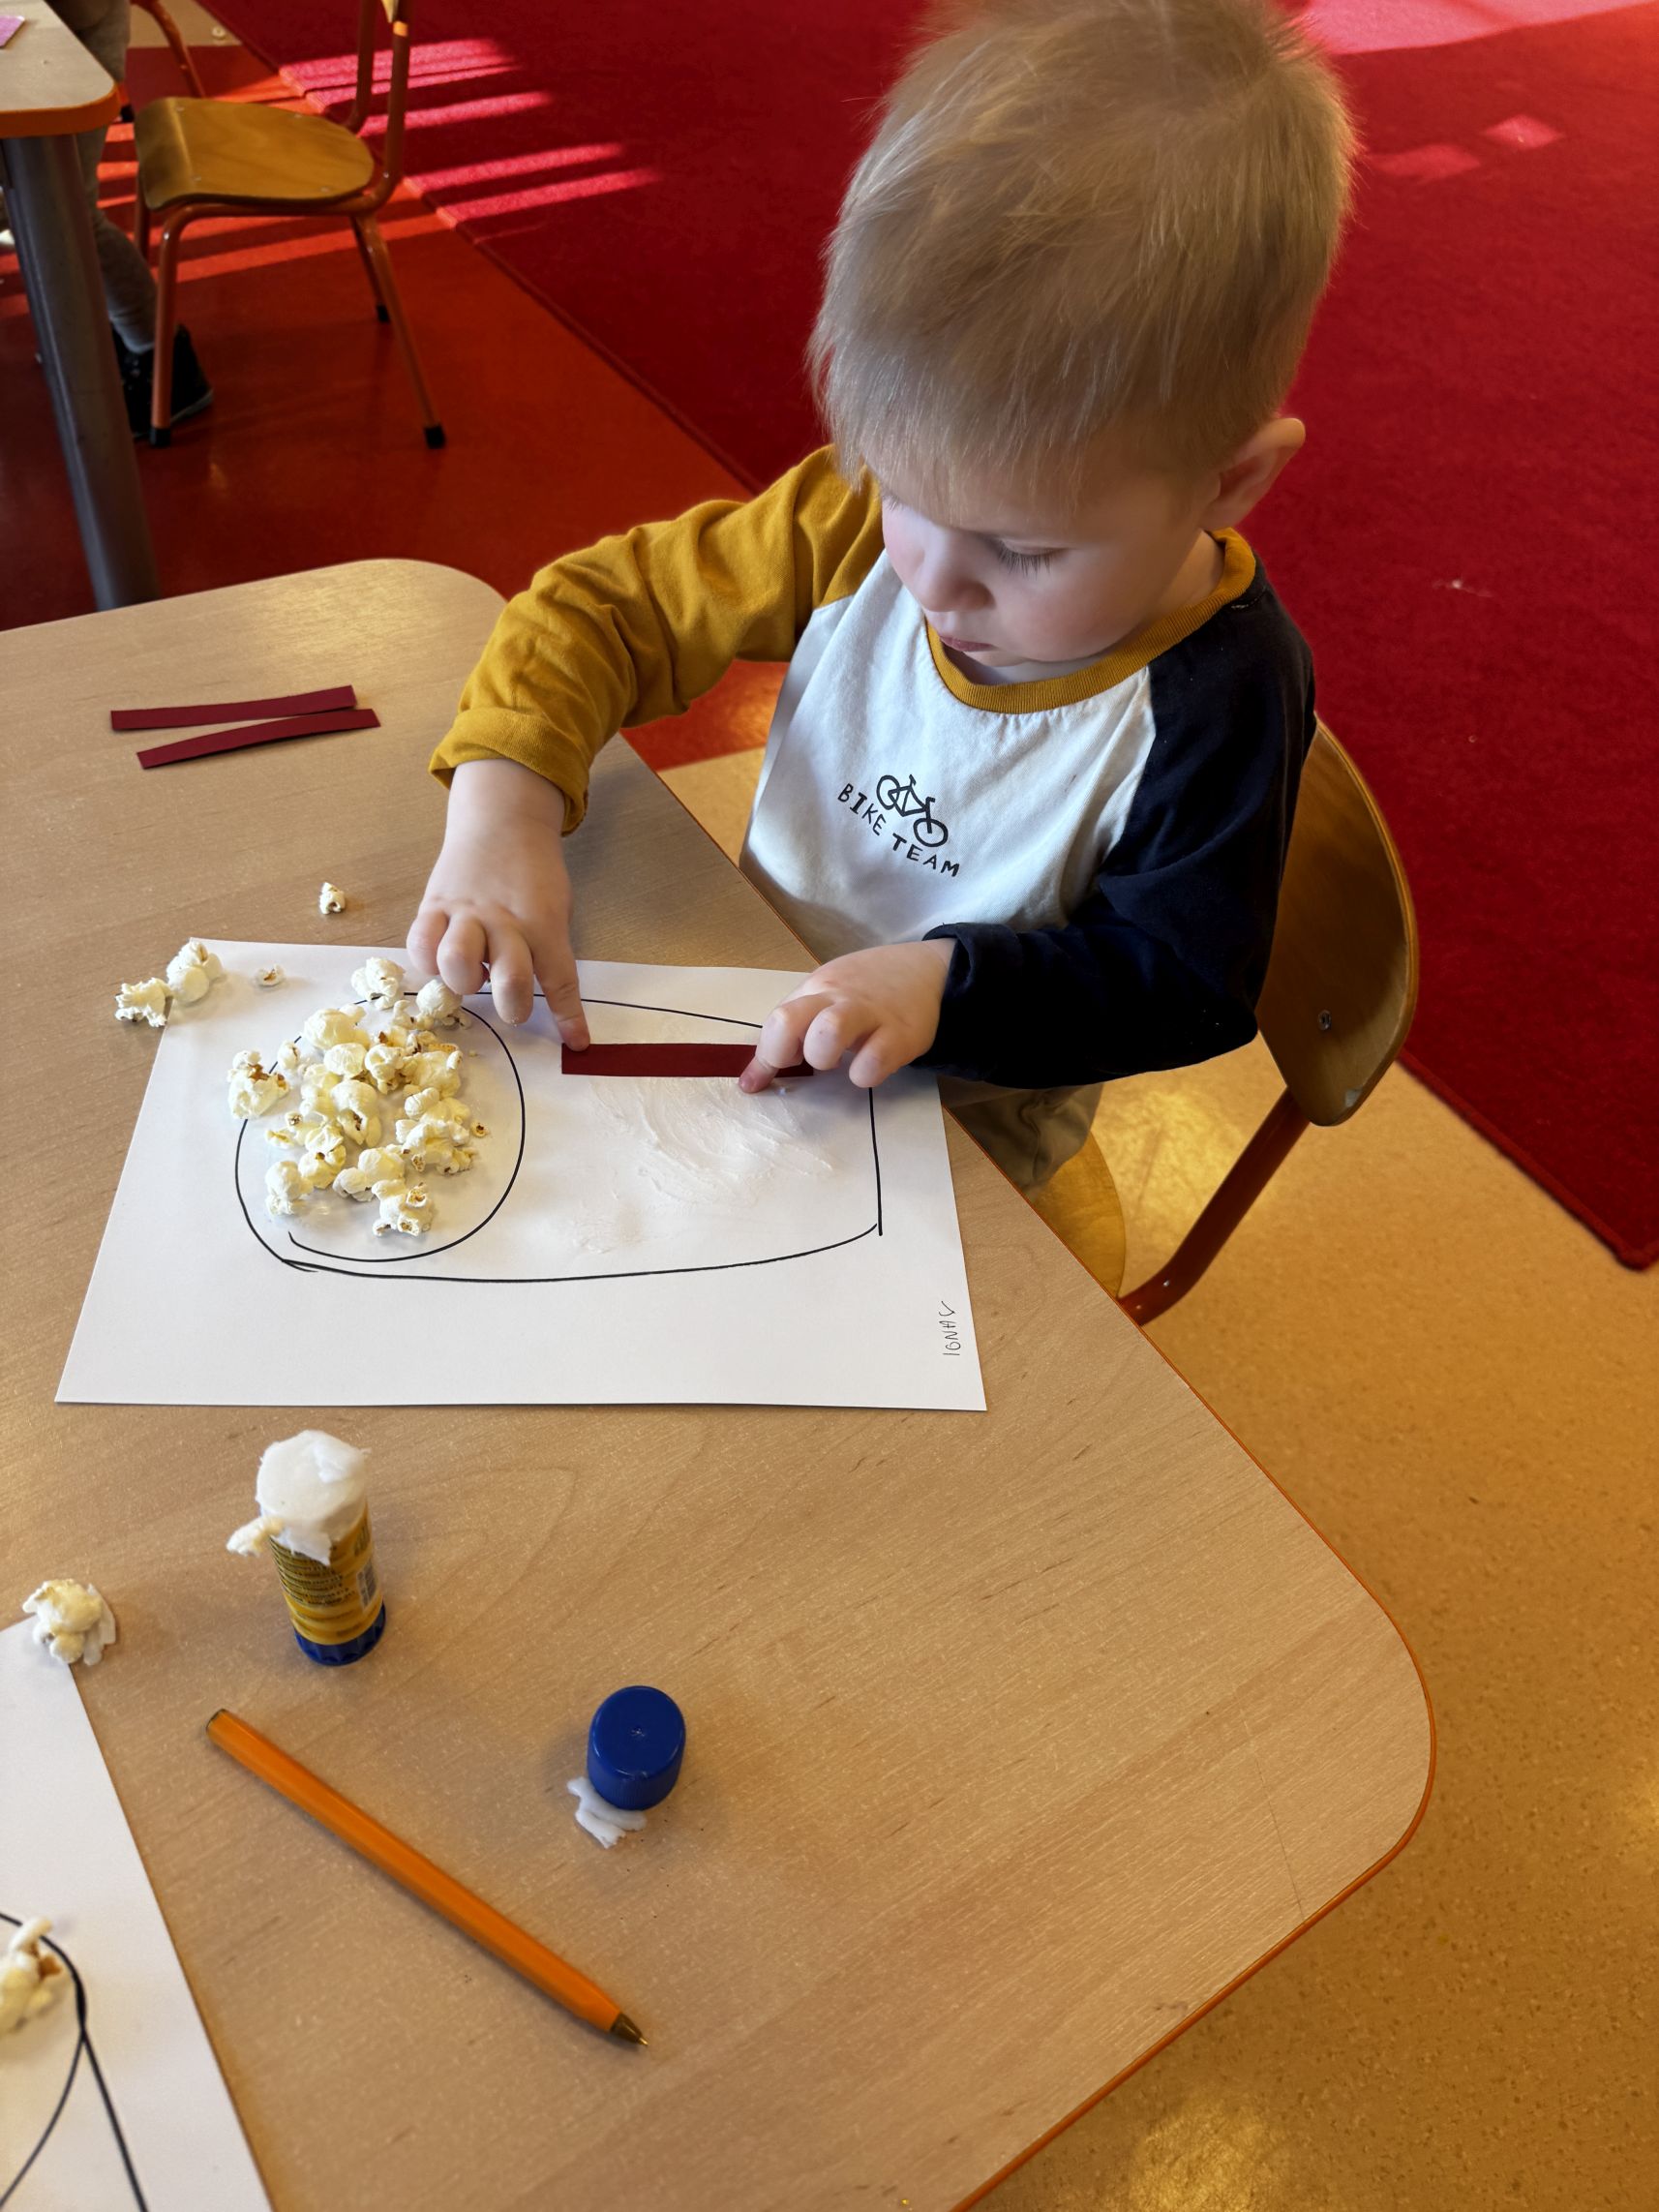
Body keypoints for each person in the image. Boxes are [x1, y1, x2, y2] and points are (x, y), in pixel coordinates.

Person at [407, 0, 1354, 1192]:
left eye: (1023, 551)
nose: (930, 579)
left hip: (969, 1127)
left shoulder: (1223, 696)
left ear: (1229, 483)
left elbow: (1181, 984)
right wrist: (503, 812)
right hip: (749, 1009)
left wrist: (946, 987)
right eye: (906, 493)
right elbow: (602, 608)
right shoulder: (859, 521)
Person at [47, 0, 210, 436]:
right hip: (50, 56)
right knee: (52, 217)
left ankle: (164, 360)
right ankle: (82, 323)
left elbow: (78, 13)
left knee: (69, 218)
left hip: (74, 63)